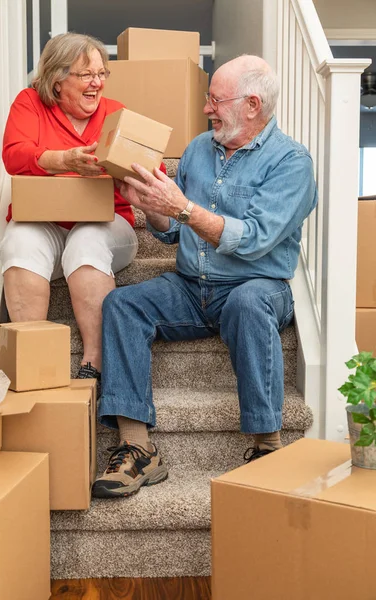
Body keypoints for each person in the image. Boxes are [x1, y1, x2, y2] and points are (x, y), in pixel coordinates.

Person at [92, 55, 318, 499]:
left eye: (216, 100)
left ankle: (267, 445)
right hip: (191, 286)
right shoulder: (198, 149)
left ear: (252, 104)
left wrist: (181, 206)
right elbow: (174, 233)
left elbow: (253, 240)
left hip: (257, 286)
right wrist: (150, 206)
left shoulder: (292, 162)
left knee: (248, 304)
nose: (206, 109)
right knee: (121, 303)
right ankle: (137, 448)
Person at [0, 33, 138, 387]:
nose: (97, 83)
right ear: (57, 79)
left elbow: (140, 167)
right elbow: (14, 155)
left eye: (101, 73)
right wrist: (62, 160)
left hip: (109, 222)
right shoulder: (30, 103)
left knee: (86, 243)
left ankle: (94, 361)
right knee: (18, 241)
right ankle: (32, 360)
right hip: (44, 219)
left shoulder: (116, 113)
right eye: (86, 74)